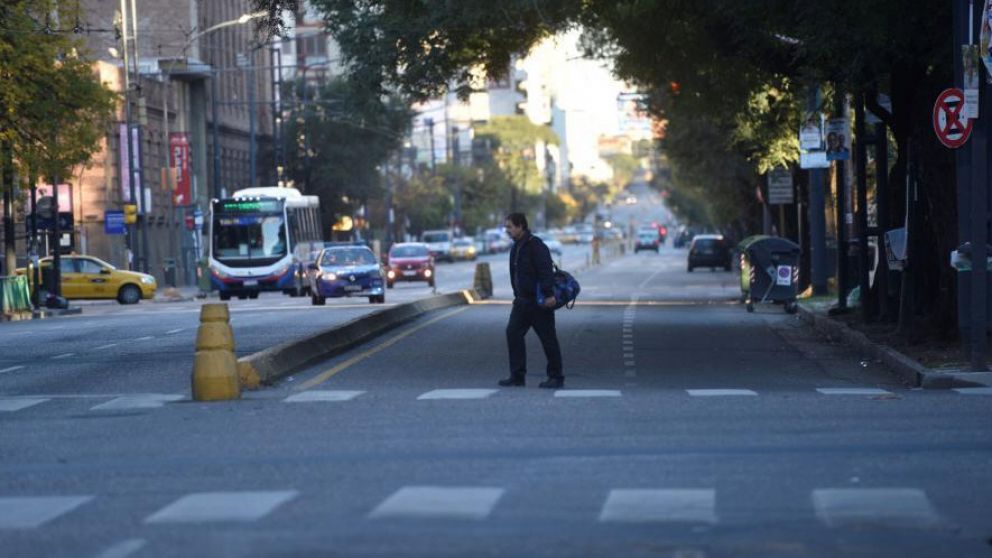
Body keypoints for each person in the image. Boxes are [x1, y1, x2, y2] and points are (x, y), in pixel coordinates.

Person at [499, 213, 564, 389]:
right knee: (512, 333)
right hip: (521, 302)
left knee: (548, 339)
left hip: (539, 303)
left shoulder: (536, 245)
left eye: (510, 227)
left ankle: (556, 377)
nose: (508, 230)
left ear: (521, 226)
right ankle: (517, 376)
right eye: (507, 227)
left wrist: (549, 294)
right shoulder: (516, 247)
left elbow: (545, 270)